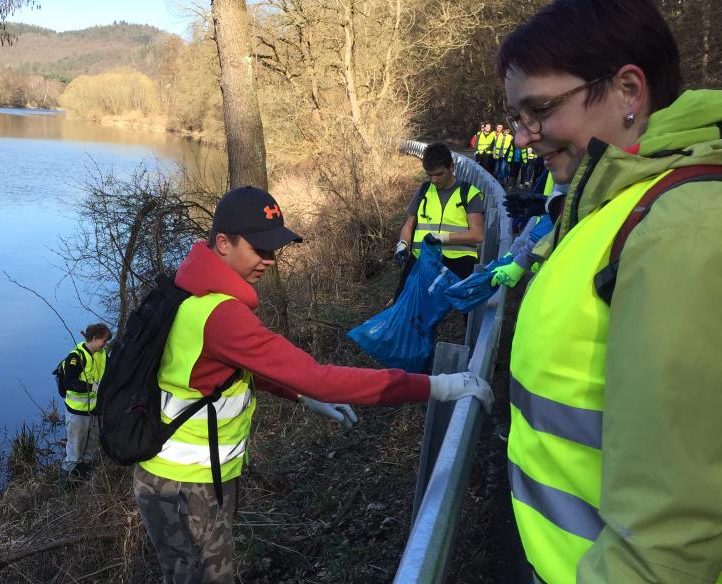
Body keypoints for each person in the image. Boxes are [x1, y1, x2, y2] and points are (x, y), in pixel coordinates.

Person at [134, 185, 494, 584]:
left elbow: (226, 372)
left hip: (185, 476)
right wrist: (436, 387)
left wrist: (301, 396)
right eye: (260, 249)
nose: (270, 261)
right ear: (223, 242)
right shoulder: (220, 315)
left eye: (274, 250)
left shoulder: (191, 290)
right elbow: (321, 376)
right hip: (185, 483)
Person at [498, 1, 722, 582]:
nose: (525, 137)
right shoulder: (618, 206)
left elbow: (671, 541)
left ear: (628, 90)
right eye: (519, 117)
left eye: (540, 109)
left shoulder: (681, 228)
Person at [392, 142, 485, 299]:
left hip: (459, 261)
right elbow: (409, 224)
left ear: (451, 167)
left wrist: (442, 237)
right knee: (403, 301)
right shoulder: (424, 190)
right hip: (423, 258)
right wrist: (402, 245)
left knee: (468, 308)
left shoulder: (469, 193)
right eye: (429, 175)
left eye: (439, 174)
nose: (434, 179)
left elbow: (477, 234)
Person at [57, 323, 111, 485]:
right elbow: (69, 383)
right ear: (94, 339)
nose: (105, 344)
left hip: (94, 411)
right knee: (74, 453)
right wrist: (91, 387)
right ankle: (65, 489)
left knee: (92, 451)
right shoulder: (76, 357)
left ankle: (83, 484)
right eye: (103, 341)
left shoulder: (101, 354)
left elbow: (111, 370)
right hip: (77, 413)